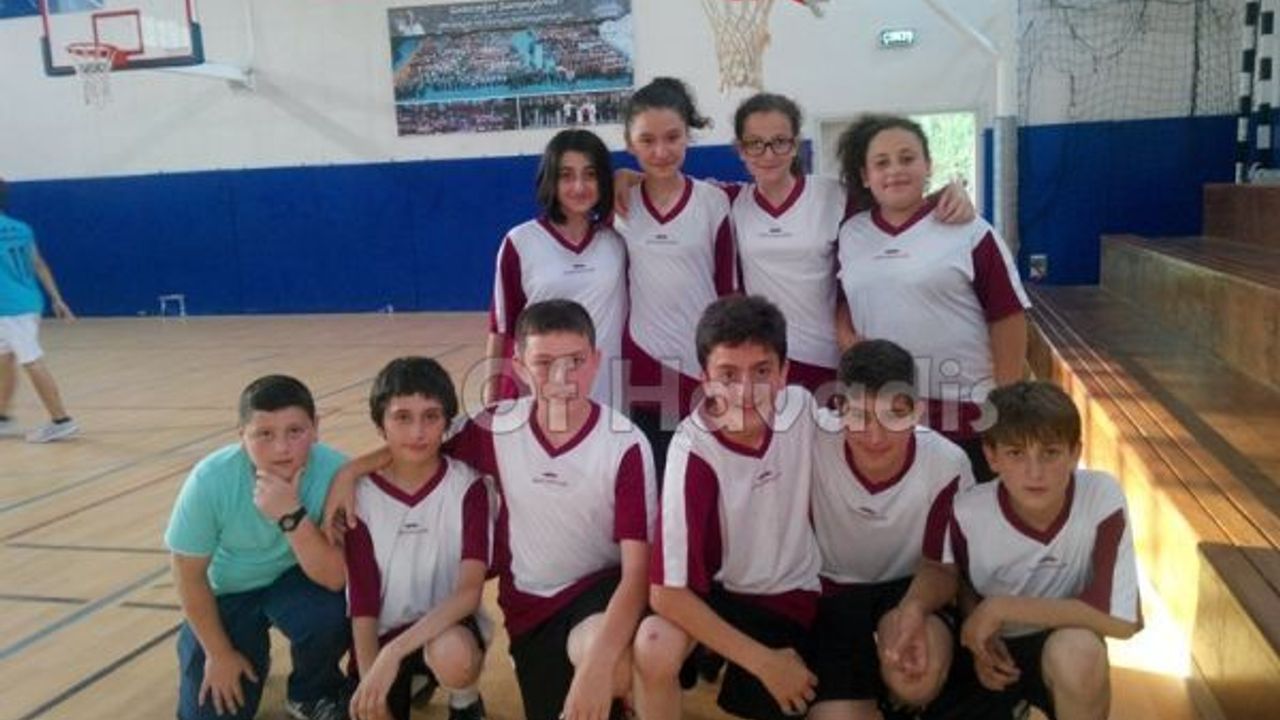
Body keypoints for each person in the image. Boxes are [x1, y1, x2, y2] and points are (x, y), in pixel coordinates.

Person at [328, 300, 656, 720]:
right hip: (529, 607)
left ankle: (620, 691)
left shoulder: (624, 443)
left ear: (596, 361)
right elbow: (419, 444)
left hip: (598, 591)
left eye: (575, 361)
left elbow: (636, 573)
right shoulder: (495, 426)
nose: (561, 378)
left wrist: (599, 666)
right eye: (544, 363)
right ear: (518, 366)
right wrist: (351, 471)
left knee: (606, 662)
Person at [615, 91, 974, 396]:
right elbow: (671, 186)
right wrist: (625, 176)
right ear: (740, 150)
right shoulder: (729, 200)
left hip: (831, 360)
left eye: (780, 141)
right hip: (768, 362)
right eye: (755, 144)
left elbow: (895, 204)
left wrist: (947, 192)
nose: (768, 154)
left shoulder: (834, 196)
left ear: (795, 143)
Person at [633, 295, 824, 720]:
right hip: (720, 594)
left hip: (789, 595)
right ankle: (711, 654)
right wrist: (765, 664)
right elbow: (666, 593)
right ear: (705, 379)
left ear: (784, 373)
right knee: (654, 644)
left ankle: (720, 657)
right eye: (728, 374)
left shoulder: (802, 409)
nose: (745, 390)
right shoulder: (692, 449)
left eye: (762, 371)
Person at [914, 381, 1142, 719]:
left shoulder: (1101, 497)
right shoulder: (965, 511)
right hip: (991, 649)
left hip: (1059, 639)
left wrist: (1003, 607)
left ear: (1075, 453)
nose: (1035, 472)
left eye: (1050, 453)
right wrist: (979, 636)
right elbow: (957, 580)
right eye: (1016, 453)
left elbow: (1123, 620)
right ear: (991, 456)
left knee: (1079, 654)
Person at [836, 113, 1029, 481]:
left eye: (907, 158)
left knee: (970, 511)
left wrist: (1005, 404)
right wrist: (845, 335)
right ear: (865, 176)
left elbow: (1008, 316)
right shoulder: (850, 233)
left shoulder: (970, 230)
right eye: (882, 163)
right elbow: (843, 299)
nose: (895, 170)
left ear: (928, 166)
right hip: (888, 413)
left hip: (967, 410)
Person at [809, 339, 981, 720]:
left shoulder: (947, 463)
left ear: (918, 411)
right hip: (831, 594)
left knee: (917, 679)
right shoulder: (810, 439)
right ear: (838, 407)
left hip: (908, 586)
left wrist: (913, 610)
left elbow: (942, 568)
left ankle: (898, 697)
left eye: (894, 415)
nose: (875, 436)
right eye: (860, 416)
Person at [165, 375, 350, 720]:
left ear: (315, 428)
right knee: (210, 711)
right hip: (228, 593)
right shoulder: (210, 480)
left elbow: (335, 577)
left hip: (298, 579)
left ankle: (311, 692)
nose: (281, 448)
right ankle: (244, 653)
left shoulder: (337, 473)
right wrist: (219, 654)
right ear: (241, 436)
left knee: (335, 610)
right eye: (264, 434)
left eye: (295, 431)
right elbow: (187, 574)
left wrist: (290, 514)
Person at [344, 357, 490, 720]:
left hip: (448, 627)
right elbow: (362, 605)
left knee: (453, 653)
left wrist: (393, 655)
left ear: (447, 423)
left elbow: (468, 593)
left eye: (431, 416)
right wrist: (371, 679)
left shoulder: (468, 486)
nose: (418, 432)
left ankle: (464, 699)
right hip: (383, 635)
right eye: (402, 417)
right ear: (380, 424)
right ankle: (413, 681)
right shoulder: (359, 497)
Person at [613, 77, 737, 476]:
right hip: (647, 363)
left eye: (672, 137)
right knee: (662, 475)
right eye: (646, 140)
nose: (661, 151)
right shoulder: (619, 204)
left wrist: (725, 366)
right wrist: (619, 177)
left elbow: (728, 291)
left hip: (705, 364)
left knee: (710, 474)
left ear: (688, 136)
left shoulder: (714, 202)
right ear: (629, 143)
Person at [486, 129, 627, 408]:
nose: (579, 187)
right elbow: (501, 328)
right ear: (550, 179)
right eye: (566, 175)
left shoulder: (618, 238)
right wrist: (491, 402)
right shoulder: (520, 241)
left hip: (607, 393)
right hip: (540, 396)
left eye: (590, 174)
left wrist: (629, 176)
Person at [0, 177, 79, 443]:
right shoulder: (21, 228)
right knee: (4, 359)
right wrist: (57, 298)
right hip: (28, 302)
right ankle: (2, 417)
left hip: (9, 309)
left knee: (31, 360)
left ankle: (61, 421)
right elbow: (38, 263)